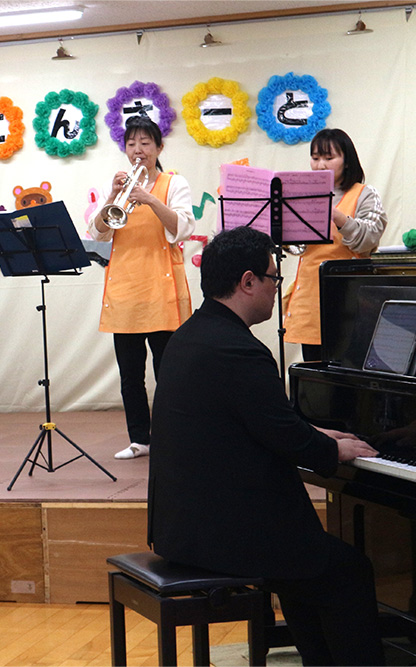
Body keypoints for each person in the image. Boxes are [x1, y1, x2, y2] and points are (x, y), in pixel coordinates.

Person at [149, 226, 384, 666]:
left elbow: (261, 422)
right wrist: (333, 449)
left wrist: (317, 435)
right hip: (223, 534)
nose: (277, 287)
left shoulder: (191, 335)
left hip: (184, 525)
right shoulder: (238, 350)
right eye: (274, 277)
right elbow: (283, 436)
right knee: (347, 571)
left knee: (307, 565)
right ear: (248, 281)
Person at [88, 116, 195, 459]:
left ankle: (172, 437)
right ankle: (139, 440)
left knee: (168, 373)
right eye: (132, 143)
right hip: (125, 291)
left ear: (159, 147)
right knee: (130, 376)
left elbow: (182, 229)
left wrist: (149, 199)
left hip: (162, 290)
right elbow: (98, 234)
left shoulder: (174, 183)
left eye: (146, 143)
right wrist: (113, 196)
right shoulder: (116, 185)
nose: (138, 150)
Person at [285, 128, 388, 361]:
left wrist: (336, 216)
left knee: (349, 369)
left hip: (349, 298)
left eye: (329, 158)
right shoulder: (304, 196)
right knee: (313, 372)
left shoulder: (364, 194)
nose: (320, 165)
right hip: (310, 298)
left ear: (347, 161)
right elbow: (299, 249)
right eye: (315, 158)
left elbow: (368, 239)